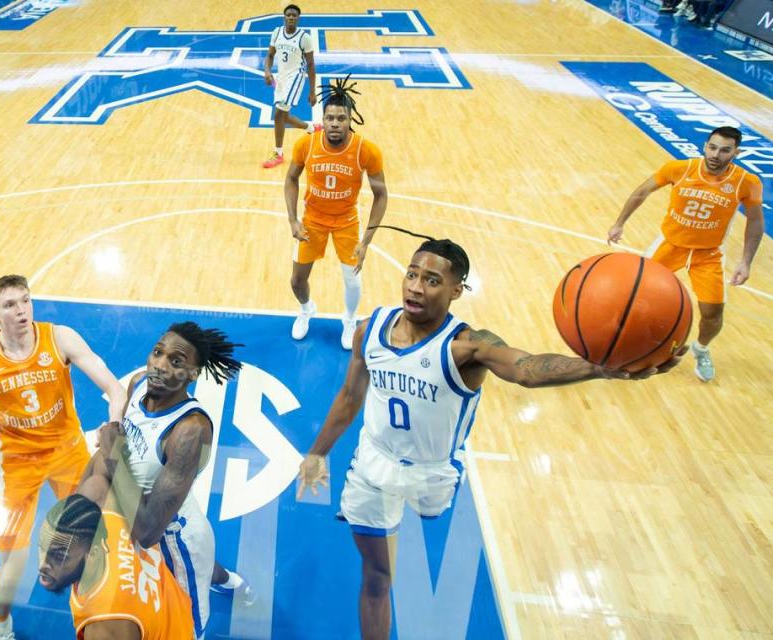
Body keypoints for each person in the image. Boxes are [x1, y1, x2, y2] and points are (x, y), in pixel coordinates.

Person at [296, 228, 686, 640]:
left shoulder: (467, 346)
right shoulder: (370, 330)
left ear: (457, 290)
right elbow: (349, 395)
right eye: (412, 274)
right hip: (373, 464)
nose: (415, 287)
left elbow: (527, 369)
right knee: (377, 576)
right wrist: (317, 453)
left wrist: (597, 368)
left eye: (432, 280)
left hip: (433, 470)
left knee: (424, 519)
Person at [0, 274, 127, 640]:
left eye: (25, 301)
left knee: (97, 541)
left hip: (68, 451)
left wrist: (114, 423)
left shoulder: (59, 337)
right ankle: (0, 624)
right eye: (10, 305)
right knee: (12, 571)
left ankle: (103, 614)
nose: (21, 311)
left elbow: (113, 387)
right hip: (16, 465)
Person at [97, 321, 251, 639]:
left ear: (193, 375)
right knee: (195, 571)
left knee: (187, 627)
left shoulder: (190, 430)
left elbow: (150, 530)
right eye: (158, 352)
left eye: (176, 361)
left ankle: (225, 582)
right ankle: (227, 580)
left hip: (174, 538)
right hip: (143, 512)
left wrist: (113, 453)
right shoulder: (139, 383)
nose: (160, 365)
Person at [607, 126, 764, 381]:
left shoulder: (748, 183)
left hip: (709, 254)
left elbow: (756, 222)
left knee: (713, 314)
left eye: (725, 150)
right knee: (634, 299)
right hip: (669, 246)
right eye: (712, 147)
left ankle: (701, 349)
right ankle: (625, 345)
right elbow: (641, 192)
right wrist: (619, 223)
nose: (716, 154)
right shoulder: (679, 168)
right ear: (705, 146)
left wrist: (745, 262)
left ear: (737, 152)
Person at [38, 457, 194, 640]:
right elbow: (104, 459)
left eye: (59, 555)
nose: (42, 564)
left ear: (93, 553)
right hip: (171, 600)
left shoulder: (103, 626)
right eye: (43, 547)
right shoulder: (106, 509)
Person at [285, 76, 388, 349]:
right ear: (323, 119)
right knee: (296, 280)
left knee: (352, 281)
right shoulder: (306, 145)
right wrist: (293, 220)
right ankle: (307, 309)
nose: (334, 123)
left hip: (346, 223)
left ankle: (350, 319)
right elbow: (291, 179)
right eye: (330, 117)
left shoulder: (366, 150)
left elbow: (381, 195)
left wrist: (366, 241)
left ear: (350, 120)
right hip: (312, 221)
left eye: (341, 118)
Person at [262, 4, 319, 169]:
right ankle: (311, 128)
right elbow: (270, 55)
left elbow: (311, 65)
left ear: (298, 18)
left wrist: (312, 91)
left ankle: (278, 154)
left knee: (279, 114)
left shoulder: (304, 38)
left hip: (296, 77)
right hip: (281, 77)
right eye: (289, 15)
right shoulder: (277, 32)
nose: (291, 18)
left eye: (294, 15)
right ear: (284, 17)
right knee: (282, 116)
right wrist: (267, 71)